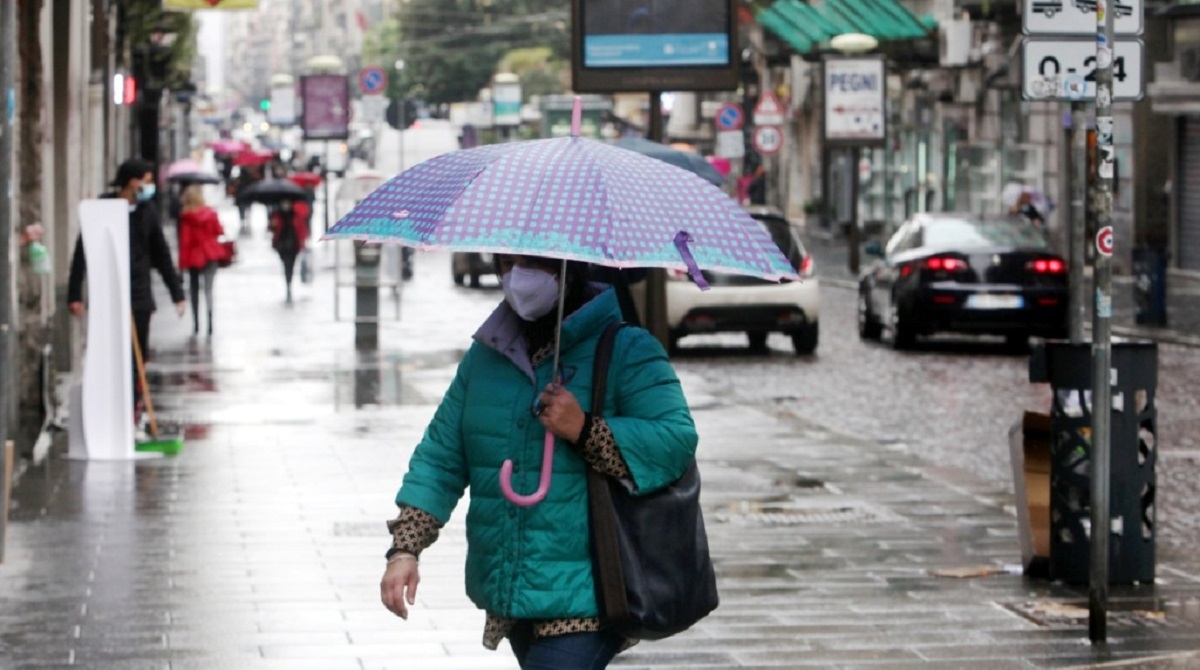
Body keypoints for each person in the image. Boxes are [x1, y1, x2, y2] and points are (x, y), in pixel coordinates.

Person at [380, 254, 698, 669]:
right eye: (506, 261)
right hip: (512, 587)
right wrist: (405, 549)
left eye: (533, 261)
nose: (518, 274)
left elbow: (675, 439)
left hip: (590, 592)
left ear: (569, 265)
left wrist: (586, 429)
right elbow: (442, 455)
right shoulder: (487, 356)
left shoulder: (626, 348)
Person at [67, 158, 186, 413]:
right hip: (108, 290)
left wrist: (177, 292)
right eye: (147, 180)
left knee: (137, 354)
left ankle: (134, 406)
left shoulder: (148, 212)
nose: (150, 185)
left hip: (140, 292)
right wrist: (74, 293)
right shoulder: (102, 209)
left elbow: (161, 254)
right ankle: (110, 406)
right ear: (132, 182)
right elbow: (82, 252)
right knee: (111, 352)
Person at [177, 185, 226, 336]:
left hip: (194, 256)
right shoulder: (210, 213)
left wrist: (182, 262)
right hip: (210, 253)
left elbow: (185, 241)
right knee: (209, 289)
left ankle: (196, 323)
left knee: (194, 289)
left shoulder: (186, 217)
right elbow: (219, 231)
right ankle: (210, 323)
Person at [268, 198, 309, 303]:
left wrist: (303, 241)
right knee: (286, 263)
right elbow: (272, 229)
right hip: (281, 244)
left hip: (293, 244)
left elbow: (301, 229)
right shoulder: (277, 215)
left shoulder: (296, 215)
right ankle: (288, 281)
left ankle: (289, 281)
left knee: (290, 264)